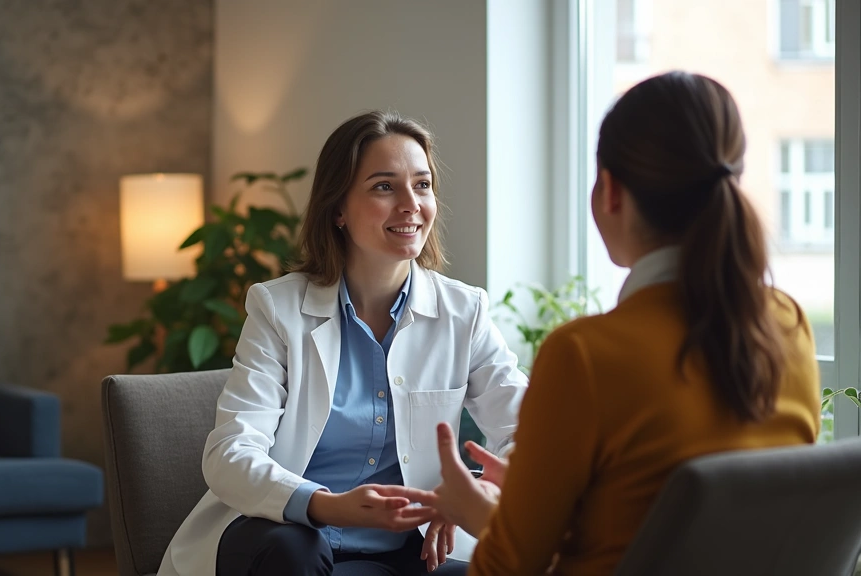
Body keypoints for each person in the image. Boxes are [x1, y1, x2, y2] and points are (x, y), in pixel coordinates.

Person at [407, 71, 822, 575]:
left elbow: (508, 570)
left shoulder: (585, 354)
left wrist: (469, 508)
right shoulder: (789, 325)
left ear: (610, 191)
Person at [156, 110, 528, 576]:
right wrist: (330, 507)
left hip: (412, 551)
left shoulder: (464, 311)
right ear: (338, 209)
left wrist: (480, 497)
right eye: (384, 186)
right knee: (295, 553)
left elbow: (529, 433)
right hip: (293, 535)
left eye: (423, 184)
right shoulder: (277, 309)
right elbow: (230, 453)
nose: (411, 204)